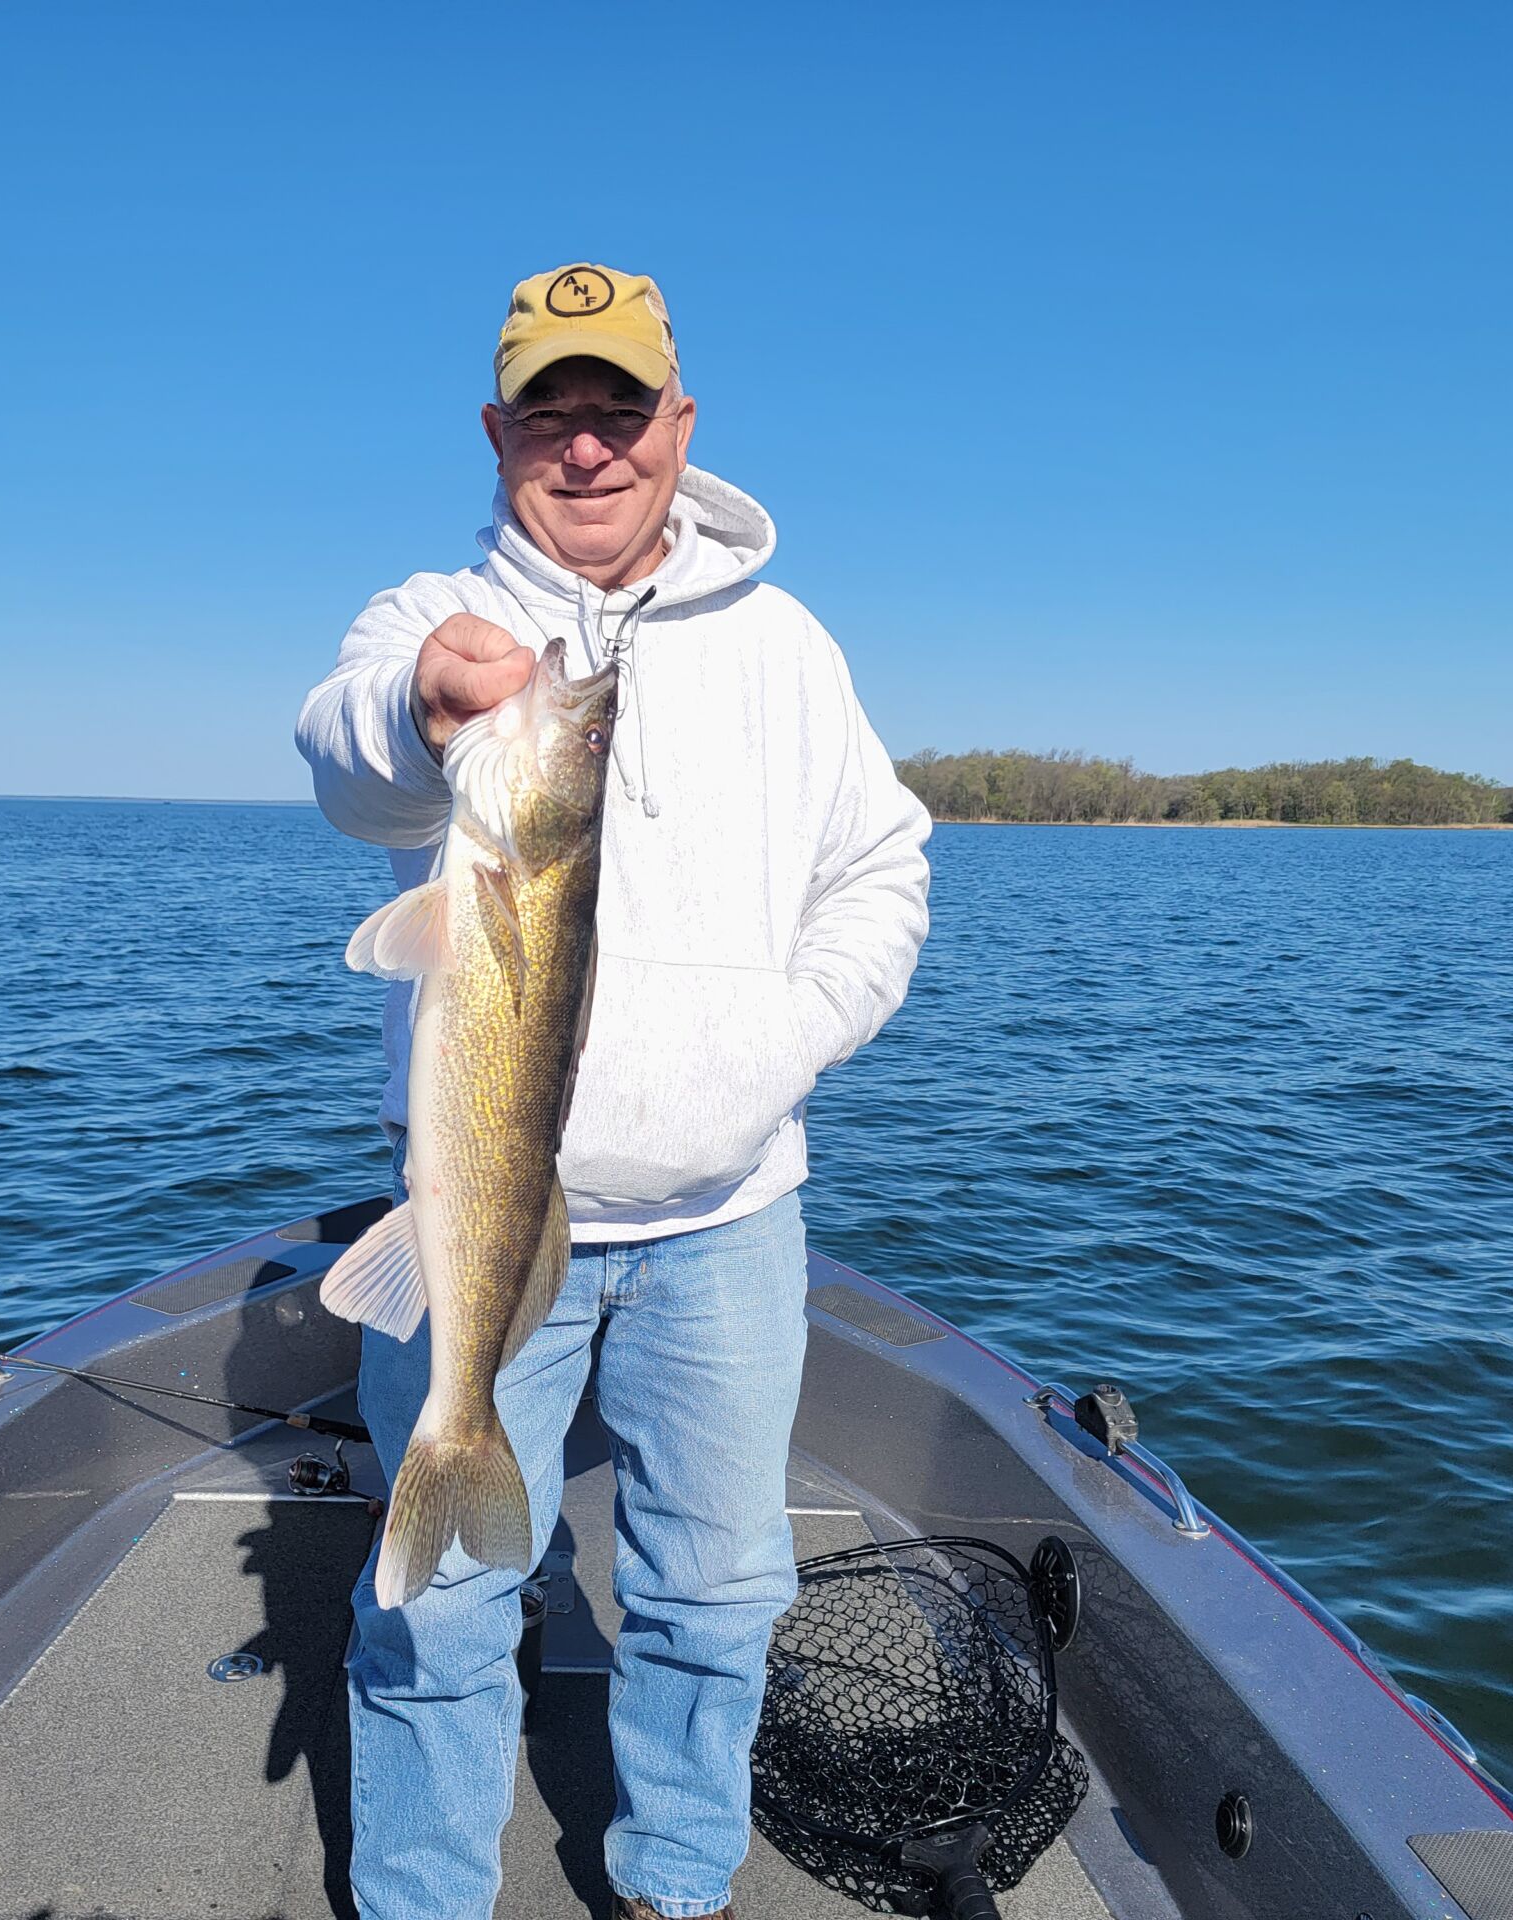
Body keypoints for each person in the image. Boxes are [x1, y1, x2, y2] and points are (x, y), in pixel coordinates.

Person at [295, 262, 931, 1920]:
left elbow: (883, 870)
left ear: (681, 426)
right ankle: (424, 1899)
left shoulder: (787, 645)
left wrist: (786, 1037)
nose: (587, 447)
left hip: (731, 1222)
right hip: (476, 1222)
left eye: (620, 409)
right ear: (496, 433)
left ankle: (677, 1883)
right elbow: (352, 759)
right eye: (550, 414)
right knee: (437, 1606)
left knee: (719, 1594)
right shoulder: (439, 614)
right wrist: (425, 706)